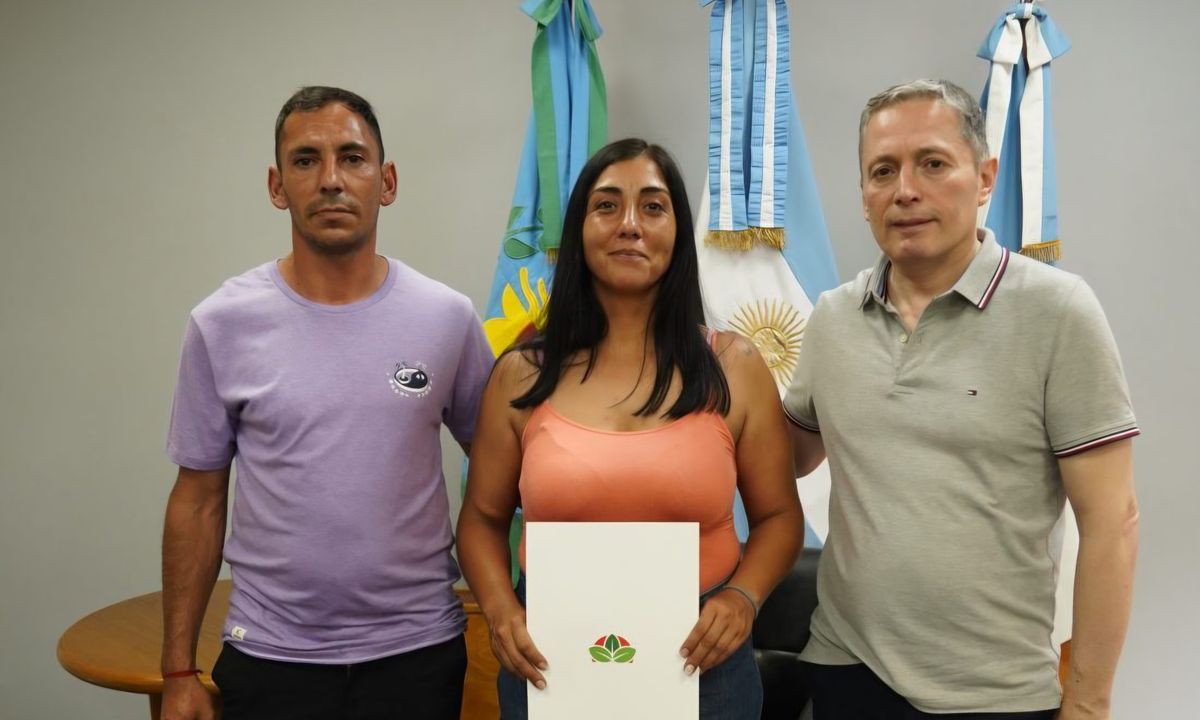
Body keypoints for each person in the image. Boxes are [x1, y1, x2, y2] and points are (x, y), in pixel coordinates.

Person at [785, 79, 1139, 720]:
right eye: (883, 171)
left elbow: (1111, 522)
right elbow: (782, 457)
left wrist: (1088, 704)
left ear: (984, 179)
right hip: (846, 672)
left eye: (932, 163)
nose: (905, 190)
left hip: (996, 694)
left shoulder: (1058, 311)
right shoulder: (833, 318)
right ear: (863, 195)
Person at [160, 86, 493, 720]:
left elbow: (505, 472)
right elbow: (197, 501)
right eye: (306, 160)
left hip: (418, 654)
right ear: (277, 185)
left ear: (387, 182)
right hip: (271, 658)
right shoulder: (221, 323)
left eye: (353, 157)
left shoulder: (446, 318)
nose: (331, 180)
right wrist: (177, 670)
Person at [456, 138, 805, 719]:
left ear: (678, 230)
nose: (629, 225)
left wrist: (743, 598)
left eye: (653, 206)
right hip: (551, 656)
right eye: (606, 205)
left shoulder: (735, 367)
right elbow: (481, 519)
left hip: (703, 658)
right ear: (579, 229)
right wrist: (498, 609)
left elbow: (779, 517)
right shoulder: (521, 374)